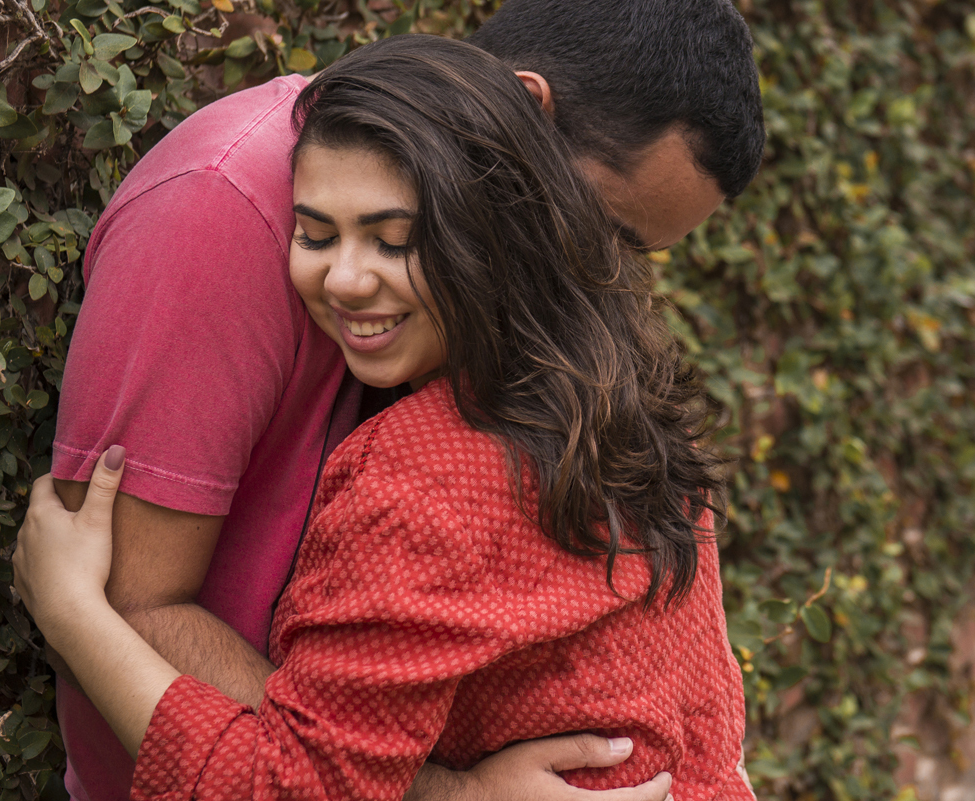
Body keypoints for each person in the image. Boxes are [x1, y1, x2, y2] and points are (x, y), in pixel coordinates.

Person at [44, 2, 764, 799]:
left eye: (391, 238)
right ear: (522, 122)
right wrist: (455, 792)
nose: (603, 274)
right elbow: (133, 597)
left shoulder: (539, 402)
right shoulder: (224, 208)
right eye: (607, 229)